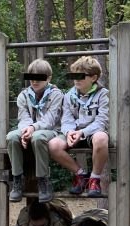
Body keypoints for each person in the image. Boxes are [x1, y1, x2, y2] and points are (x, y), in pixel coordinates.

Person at [48, 56, 109, 197]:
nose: (76, 79)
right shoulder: (69, 96)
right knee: (53, 145)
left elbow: (102, 121)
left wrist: (82, 132)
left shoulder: (103, 95)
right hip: (73, 132)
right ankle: (80, 175)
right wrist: (69, 132)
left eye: (81, 76)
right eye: (74, 75)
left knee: (101, 139)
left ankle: (94, 178)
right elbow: (66, 119)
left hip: (94, 132)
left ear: (93, 78)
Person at [6, 59, 64, 203]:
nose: (34, 81)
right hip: (30, 129)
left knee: (38, 137)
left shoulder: (56, 95)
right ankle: (17, 180)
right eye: (32, 77)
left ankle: (43, 180)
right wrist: (26, 131)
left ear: (48, 78)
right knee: (12, 136)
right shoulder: (24, 96)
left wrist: (33, 129)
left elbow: (50, 120)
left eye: (39, 77)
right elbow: (23, 118)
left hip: (51, 131)